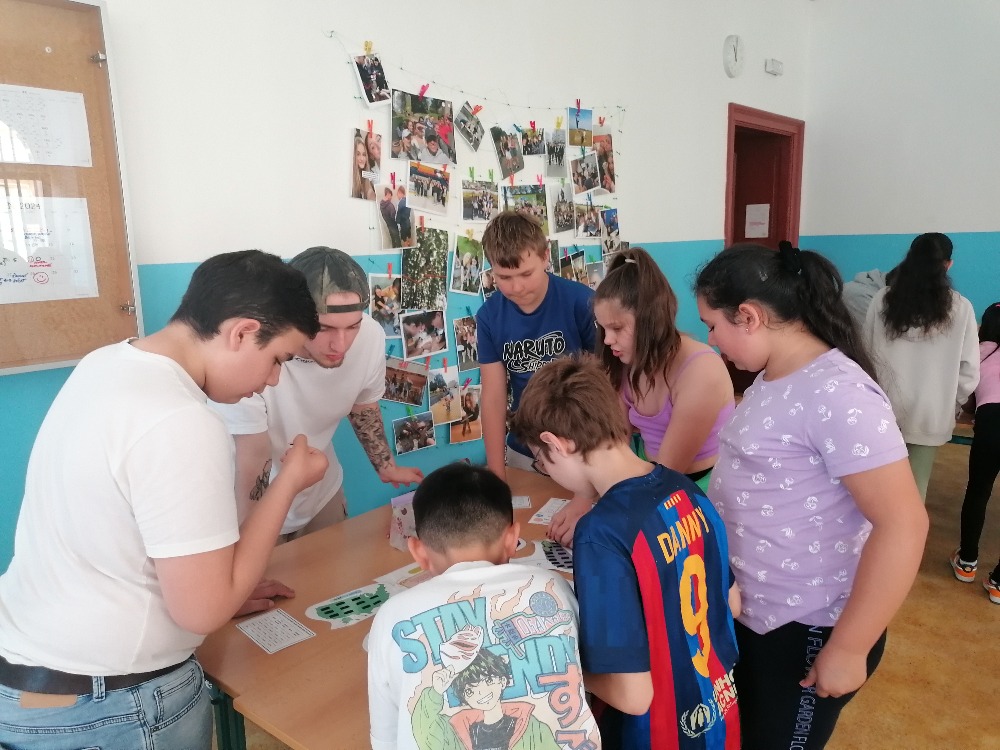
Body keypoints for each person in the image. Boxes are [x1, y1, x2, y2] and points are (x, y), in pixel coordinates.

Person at [0, 250, 328, 749]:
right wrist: (289, 482)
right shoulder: (182, 421)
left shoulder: (105, 362)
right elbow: (202, 613)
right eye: (278, 359)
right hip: (111, 706)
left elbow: (121, 536)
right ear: (242, 333)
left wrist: (219, 585)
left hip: (29, 677)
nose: (272, 380)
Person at [695, 243, 929, 749]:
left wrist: (849, 648)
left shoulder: (838, 393)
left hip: (808, 628)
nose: (711, 340)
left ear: (749, 316)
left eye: (712, 325)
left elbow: (904, 525)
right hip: (758, 615)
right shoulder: (773, 376)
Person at [511, 355, 740, 749]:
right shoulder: (684, 488)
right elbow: (731, 604)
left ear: (556, 443)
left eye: (542, 461)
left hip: (658, 736)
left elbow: (633, 696)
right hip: (719, 716)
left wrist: (557, 665)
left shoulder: (601, 534)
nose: (549, 472)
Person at [210, 248, 423, 563]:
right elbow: (251, 461)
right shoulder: (253, 354)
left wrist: (385, 465)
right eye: (324, 328)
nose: (341, 344)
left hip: (321, 494)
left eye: (352, 326)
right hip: (251, 504)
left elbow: (362, 403)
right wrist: (243, 555)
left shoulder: (371, 337)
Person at [367, 463, 600, 750]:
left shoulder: (392, 615)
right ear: (513, 539)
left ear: (418, 552)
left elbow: (386, 740)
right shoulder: (553, 587)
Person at [475, 212, 596, 545]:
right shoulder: (488, 317)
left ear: (545, 257)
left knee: (578, 539)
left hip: (583, 450)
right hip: (525, 452)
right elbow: (494, 397)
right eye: (504, 277)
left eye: (526, 274)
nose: (516, 287)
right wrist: (496, 476)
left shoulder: (580, 301)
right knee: (530, 539)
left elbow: (606, 387)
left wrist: (587, 488)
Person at [595, 247, 734, 491]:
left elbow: (667, 473)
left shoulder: (701, 370)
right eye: (602, 328)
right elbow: (615, 443)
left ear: (650, 320)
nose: (607, 340)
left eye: (616, 328)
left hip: (699, 488)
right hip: (646, 473)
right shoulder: (623, 362)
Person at [863, 232, 979, 500]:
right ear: (948, 265)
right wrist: (952, 403)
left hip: (883, 409)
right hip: (931, 413)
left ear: (909, 259)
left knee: (878, 490)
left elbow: (864, 355)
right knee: (916, 491)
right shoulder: (961, 307)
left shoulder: (882, 300)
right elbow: (970, 370)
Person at [950, 302, 1000, 604]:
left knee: (978, 492)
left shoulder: (981, 351)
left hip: (991, 422)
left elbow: (968, 396)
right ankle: (999, 583)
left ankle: (967, 562)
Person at [352, 136, 377, 200]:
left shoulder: (367, 174)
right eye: (358, 154)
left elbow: (369, 191)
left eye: (364, 154)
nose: (362, 158)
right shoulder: (350, 176)